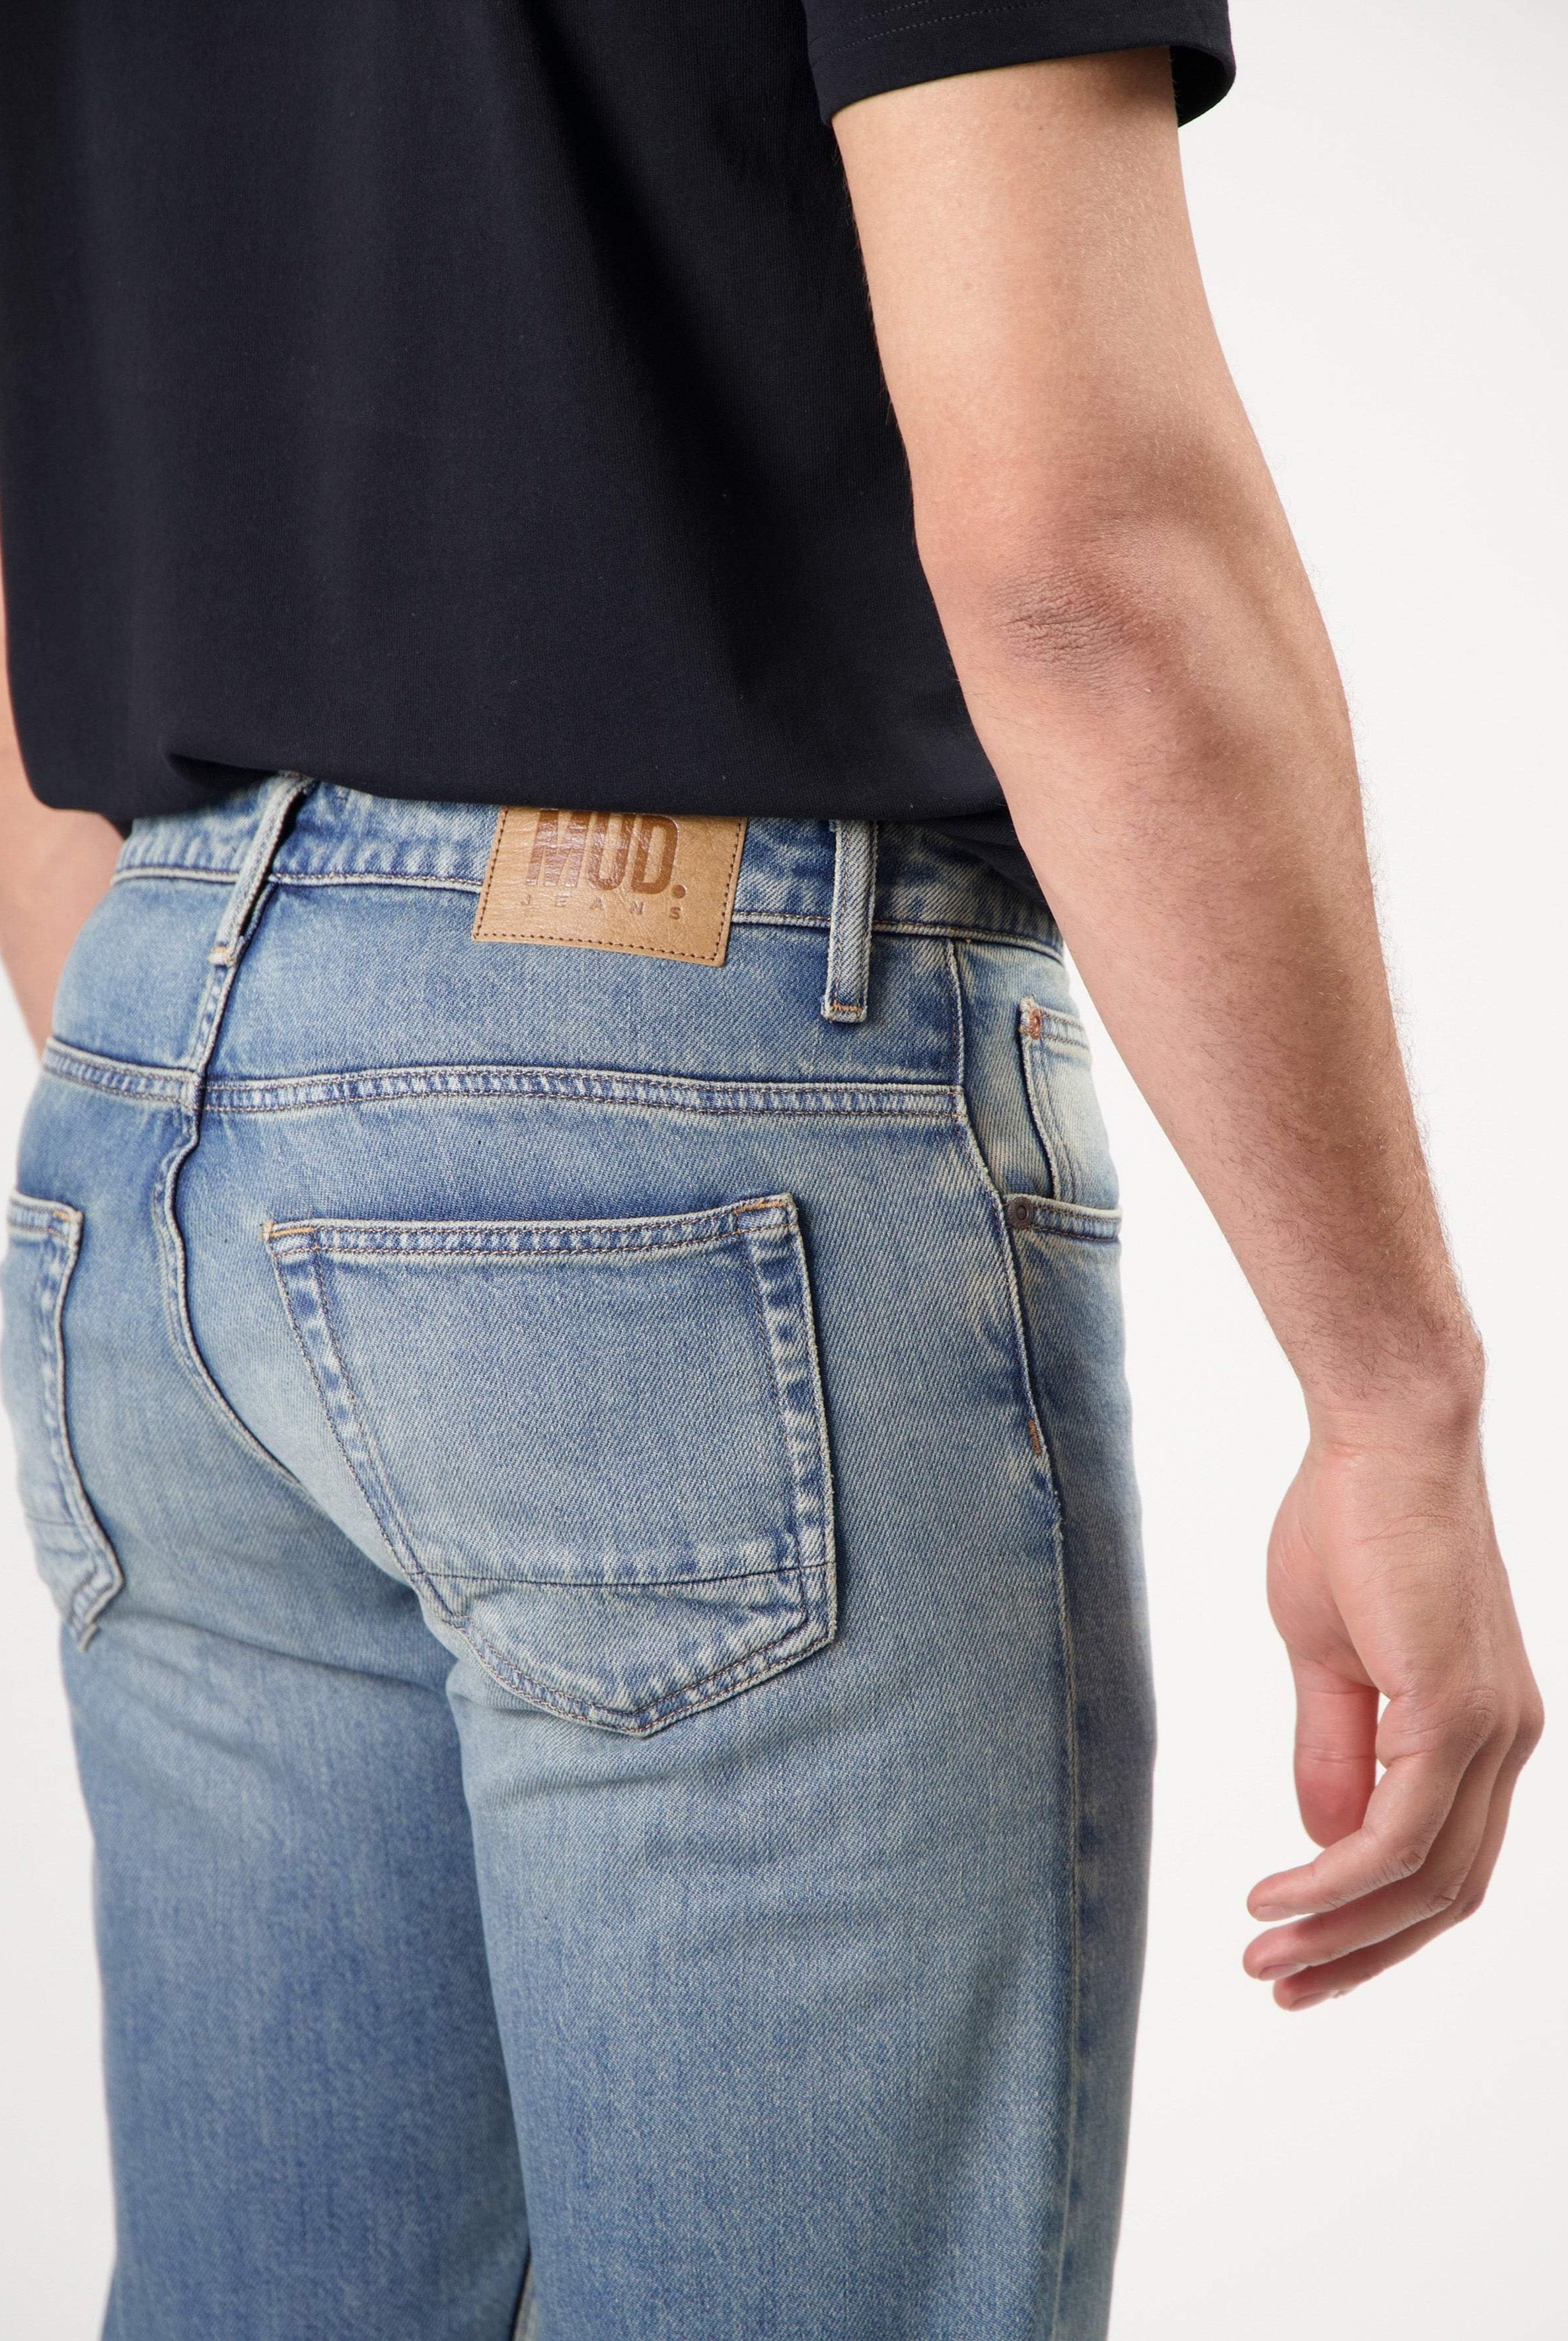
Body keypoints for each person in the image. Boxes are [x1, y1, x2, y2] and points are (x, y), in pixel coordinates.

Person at [0, 7, 1541, 2337]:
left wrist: (252, 1084)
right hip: (686, 1094)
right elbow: (1076, 546)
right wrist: (1392, 1392)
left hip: (145, 1097)